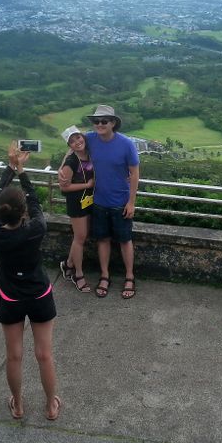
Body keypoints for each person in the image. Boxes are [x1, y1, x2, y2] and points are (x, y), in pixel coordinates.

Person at [0, 140, 62, 421]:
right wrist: (22, 172)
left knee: (14, 356)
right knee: (44, 355)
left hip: (11, 297)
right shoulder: (36, 228)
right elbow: (37, 203)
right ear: (23, 211)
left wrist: (9, 169)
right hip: (39, 293)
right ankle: (51, 405)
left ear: (2, 212)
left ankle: (17, 405)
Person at [84, 104, 140, 299]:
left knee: (125, 240)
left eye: (104, 121)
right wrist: (62, 168)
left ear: (113, 123)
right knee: (103, 240)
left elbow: (134, 174)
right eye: (96, 121)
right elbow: (72, 145)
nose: (99, 124)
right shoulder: (89, 139)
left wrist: (131, 202)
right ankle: (105, 275)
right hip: (99, 201)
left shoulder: (126, 144)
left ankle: (130, 276)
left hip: (120, 201)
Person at [57, 125, 95, 293]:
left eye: (78, 137)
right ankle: (77, 274)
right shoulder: (71, 162)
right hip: (76, 203)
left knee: (83, 236)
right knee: (80, 238)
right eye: (72, 141)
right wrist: (86, 184)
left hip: (90, 200)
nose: (77, 142)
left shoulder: (90, 152)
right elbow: (64, 187)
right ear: (69, 146)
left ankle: (68, 264)